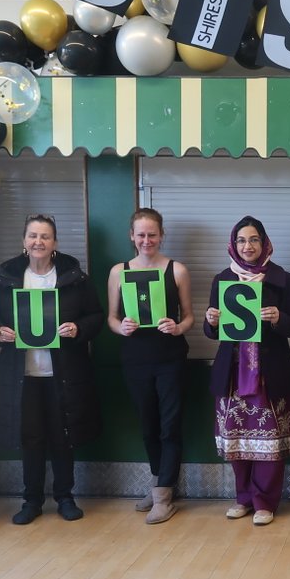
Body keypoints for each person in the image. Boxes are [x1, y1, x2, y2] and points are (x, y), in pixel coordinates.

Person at [0, 215, 104, 525]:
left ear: (55, 243)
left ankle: (65, 497)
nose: (39, 242)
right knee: (31, 438)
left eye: (45, 236)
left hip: (64, 373)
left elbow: (96, 316)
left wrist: (78, 328)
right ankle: (32, 500)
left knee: (63, 437)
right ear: (24, 241)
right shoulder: (6, 277)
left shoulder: (74, 277)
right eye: (33, 236)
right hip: (21, 375)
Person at [204, 216, 290, 526]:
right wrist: (211, 320)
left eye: (254, 240)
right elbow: (211, 333)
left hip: (269, 371)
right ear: (233, 246)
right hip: (232, 373)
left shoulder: (284, 279)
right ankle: (243, 498)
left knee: (269, 441)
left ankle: (265, 502)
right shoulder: (222, 279)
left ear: (265, 242)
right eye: (241, 241)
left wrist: (278, 318)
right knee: (237, 438)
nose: (248, 246)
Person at [106, 208, 195, 525]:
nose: (146, 240)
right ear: (132, 236)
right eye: (141, 234)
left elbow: (189, 317)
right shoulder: (119, 271)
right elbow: (111, 319)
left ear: (161, 235)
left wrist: (177, 326)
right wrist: (122, 327)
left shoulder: (177, 270)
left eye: (152, 234)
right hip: (135, 358)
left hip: (170, 358)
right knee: (148, 426)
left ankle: (163, 494)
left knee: (170, 426)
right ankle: (160, 482)